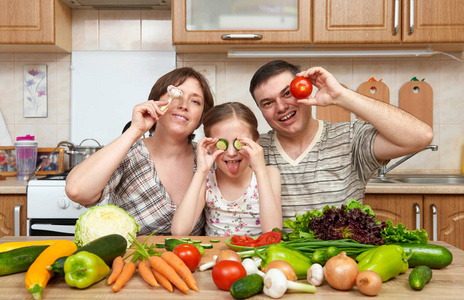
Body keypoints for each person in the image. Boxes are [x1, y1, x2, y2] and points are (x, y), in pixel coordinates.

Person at [249, 60, 433, 222]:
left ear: (305, 90)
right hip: (278, 260)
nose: (281, 107)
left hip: (341, 260)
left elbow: (421, 136)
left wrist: (341, 96)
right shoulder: (255, 150)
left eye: (288, 93)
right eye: (268, 103)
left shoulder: (351, 138)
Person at [65, 67, 215, 236]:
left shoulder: (207, 159)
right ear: (155, 102)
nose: (184, 105)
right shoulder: (129, 153)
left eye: (195, 102)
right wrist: (135, 130)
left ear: (201, 117)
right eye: (177, 94)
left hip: (191, 261)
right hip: (129, 261)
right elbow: (76, 191)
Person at [171, 102, 282, 237]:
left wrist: (260, 170)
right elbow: (179, 231)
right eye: (221, 144)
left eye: (239, 143)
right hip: (216, 256)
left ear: (255, 143)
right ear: (210, 146)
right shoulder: (207, 179)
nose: (231, 152)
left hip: (256, 257)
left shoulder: (269, 174)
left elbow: (273, 233)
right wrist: (201, 172)